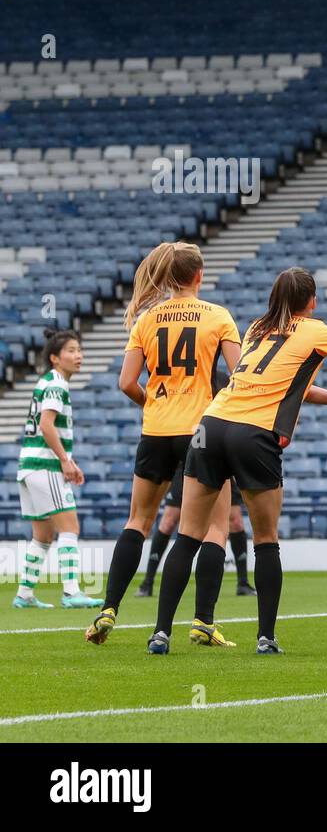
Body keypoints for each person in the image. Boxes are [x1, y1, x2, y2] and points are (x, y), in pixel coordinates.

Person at [145, 267, 327, 655]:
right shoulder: (318, 331)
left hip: (210, 426)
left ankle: (160, 634)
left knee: (188, 534)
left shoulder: (255, 329)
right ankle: (265, 638)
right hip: (254, 435)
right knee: (266, 540)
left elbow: (292, 388)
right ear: (311, 301)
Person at [87, 242, 242, 645]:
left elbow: (125, 383)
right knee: (212, 529)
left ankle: (108, 608)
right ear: (198, 276)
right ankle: (201, 622)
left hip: (155, 430)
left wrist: (154, 404)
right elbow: (240, 378)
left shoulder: (147, 318)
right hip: (202, 433)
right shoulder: (218, 317)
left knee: (137, 520)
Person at [13, 329, 102, 610]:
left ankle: (24, 595)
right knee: (70, 527)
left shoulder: (47, 381)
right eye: (72, 351)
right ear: (55, 358)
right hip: (45, 466)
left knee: (42, 535)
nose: (79, 356)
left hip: (28, 466)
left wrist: (68, 461)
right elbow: (46, 425)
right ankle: (71, 592)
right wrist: (65, 460)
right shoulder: (57, 384)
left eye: (79, 350)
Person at [134, 461, 256, 599]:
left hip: (220, 463)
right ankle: (147, 583)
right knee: (168, 521)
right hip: (187, 463)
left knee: (236, 522)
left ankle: (243, 583)